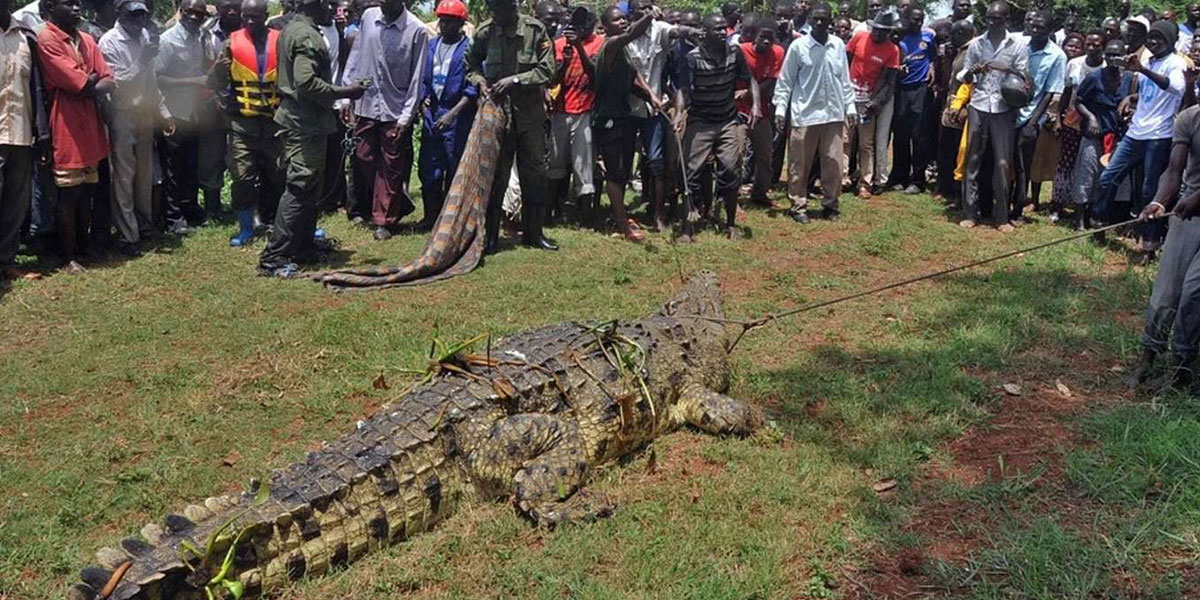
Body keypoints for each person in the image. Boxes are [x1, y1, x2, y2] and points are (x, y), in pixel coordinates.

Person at [258, 0, 366, 277]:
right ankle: (274, 256)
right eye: (327, 4)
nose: (331, 10)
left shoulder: (292, 28)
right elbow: (305, 82)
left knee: (309, 187)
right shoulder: (307, 35)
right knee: (300, 186)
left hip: (304, 120)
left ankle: (303, 247)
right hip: (304, 122)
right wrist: (346, 92)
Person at [466, 0, 557, 252]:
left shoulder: (535, 30)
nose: (496, 15)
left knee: (535, 175)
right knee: (497, 176)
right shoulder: (486, 31)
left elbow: (548, 70)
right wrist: (480, 82)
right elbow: (471, 64)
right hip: (498, 117)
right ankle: (491, 237)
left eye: (500, 9)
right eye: (492, 9)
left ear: (512, 7)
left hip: (530, 117)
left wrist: (516, 80)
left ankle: (533, 234)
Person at [1092, 20, 1186, 258]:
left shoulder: (1175, 64)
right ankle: (1099, 226)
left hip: (1159, 135)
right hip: (1136, 132)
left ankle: (1149, 244)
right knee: (1108, 177)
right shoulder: (1147, 61)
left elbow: (1175, 87)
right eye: (1151, 37)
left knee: (1149, 191)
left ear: (1171, 41)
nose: (1153, 42)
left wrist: (1142, 70)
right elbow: (1148, 94)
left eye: (1159, 38)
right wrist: (1132, 98)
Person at [341, 0, 428, 242]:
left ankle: (384, 221)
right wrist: (346, 97)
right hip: (366, 103)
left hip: (395, 108)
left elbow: (417, 76)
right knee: (363, 156)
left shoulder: (416, 29)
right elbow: (356, 56)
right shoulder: (369, 17)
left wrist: (406, 117)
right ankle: (395, 205)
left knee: (391, 167)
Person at [38, 0, 113, 274]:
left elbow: (107, 80)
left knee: (87, 191)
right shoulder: (46, 37)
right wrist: (88, 79)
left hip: (90, 125)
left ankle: (84, 246)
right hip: (65, 126)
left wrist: (87, 81)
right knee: (68, 194)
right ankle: (68, 255)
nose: (76, 8)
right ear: (51, 7)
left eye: (77, 3)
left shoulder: (86, 39)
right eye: (68, 3)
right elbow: (77, 82)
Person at [1129, 102, 1200, 389]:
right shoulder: (1190, 117)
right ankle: (1148, 357)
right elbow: (1173, 171)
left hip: (1193, 205)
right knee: (1166, 290)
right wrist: (1159, 201)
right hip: (1189, 211)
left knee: (1194, 293)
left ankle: (1182, 369)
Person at [207, 0, 285, 247]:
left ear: (266, 15)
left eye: (255, 16)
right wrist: (219, 70)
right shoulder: (230, 44)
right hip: (242, 125)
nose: (250, 21)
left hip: (275, 124)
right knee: (242, 177)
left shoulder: (281, 41)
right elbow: (214, 84)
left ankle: (285, 223)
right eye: (246, 17)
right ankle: (245, 229)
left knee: (281, 174)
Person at [677, 13, 756, 241]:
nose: (723, 33)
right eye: (717, 29)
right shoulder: (692, 58)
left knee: (731, 170)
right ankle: (686, 227)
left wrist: (756, 104)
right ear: (705, 32)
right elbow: (683, 90)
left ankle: (730, 224)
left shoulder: (734, 52)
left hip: (727, 120)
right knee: (689, 173)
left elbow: (749, 80)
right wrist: (679, 113)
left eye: (724, 29)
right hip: (700, 122)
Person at [99, 0, 169, 257]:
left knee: (144, 176)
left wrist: (163, 111)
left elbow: (150, 80)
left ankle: (144, 226)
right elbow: (117, 84)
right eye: (134, 16)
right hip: (122, 115)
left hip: (145, 114)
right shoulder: (109, 42)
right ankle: (128, 235)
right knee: (124, 176)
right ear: (120, 14)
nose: (140, 21)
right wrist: (141, 60)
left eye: (143, 16)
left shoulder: (144, 35)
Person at [774, 2, 854, 224]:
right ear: (809, 19)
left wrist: (851, 107)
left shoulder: (838, 45)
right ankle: (798, 204)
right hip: (805, 114)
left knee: (833, 163)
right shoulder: (798, 47)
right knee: (800, 163)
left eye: (824, 19)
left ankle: (831, 204)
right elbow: (785, 81)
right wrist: (781, 109)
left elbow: (845, 80)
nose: (819, 22)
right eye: (816, 18)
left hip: (834, 114)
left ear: (831, 21)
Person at [958, 1, 1029, 231]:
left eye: (997, 18)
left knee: (1002, 163)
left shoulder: (1016, 44)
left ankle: (1001, 217)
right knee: (973, 160)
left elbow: (1025, 77)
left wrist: (1005, 68)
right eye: (989, 18)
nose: (992, 22)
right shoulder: (977, 44)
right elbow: (964, 76)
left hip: (1003, 107)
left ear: (1006, 19)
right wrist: (974, 70)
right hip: (979, 105)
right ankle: (970, 212)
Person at [592, 6, 656, 242]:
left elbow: (633, 76)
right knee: (615, 173)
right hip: (608, 118)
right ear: (605, 26)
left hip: (623, 115)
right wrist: (649, 16)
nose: (622, 22)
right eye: (616, 20)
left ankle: (619, 215)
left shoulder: (624, 51)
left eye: (624, 18)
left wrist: (651, 96)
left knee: (623, 170)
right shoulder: (611, 45)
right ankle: (622, 227)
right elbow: (632, 34)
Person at [155, 0, 215, 235]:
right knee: (173, 168)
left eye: (198, 14)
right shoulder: (167, 40)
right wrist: (193, 82)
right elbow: (158, 79)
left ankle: (190, 208)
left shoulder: (199, 37)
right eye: (189, 12)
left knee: (191, 164)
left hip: (194, 111)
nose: (193, 17)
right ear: (181, 12)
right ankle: (173, 218)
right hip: (173, 112)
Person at [0, 0, 48, 279]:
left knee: (15, 205)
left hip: (20, 133)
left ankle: (6, 262)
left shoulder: (26, 38)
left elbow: (37, 88)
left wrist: (41, 134)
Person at [416, 0, 475, 230]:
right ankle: (430, 216)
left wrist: (452, 114)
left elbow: (472, 88)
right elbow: (421, 78)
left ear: (461, 23)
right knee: (429, 168)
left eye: (451, 21)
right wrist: (423, 102)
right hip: (432, 112)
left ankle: (450, 220)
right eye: (442, 20)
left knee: (454, 167)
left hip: (457, 115)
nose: (445, 25)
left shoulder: (469, 49)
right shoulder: (431, 46)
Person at [546, 5, 602, 222]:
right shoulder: (559, 44)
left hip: (585, 110)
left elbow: (595, 75)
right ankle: (550, 212)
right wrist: (565, 62)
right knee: (555, 163)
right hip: (560, 111)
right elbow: (551, 80)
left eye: (586, 23)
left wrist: (579, 46)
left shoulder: (599, 43)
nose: (582, 27)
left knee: (583, 166)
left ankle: (586, 215)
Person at [1072, 38, 1134, 230]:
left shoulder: (1131, 79)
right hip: (1095, 132)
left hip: (1119, 135)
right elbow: (1079, 101)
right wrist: (1090, 118)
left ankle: (1109, 219)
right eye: (1109, 54)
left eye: (1117, 54)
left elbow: (1134, 102)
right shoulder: (1094, 77)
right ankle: (1080, 219)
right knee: (1087, 174)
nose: (1113, 58)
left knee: (1117, 178)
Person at [1011, 9, 1065, 222]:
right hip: (1008, 113)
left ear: (1050, 30)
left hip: (1030, 118)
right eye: (1032, 25)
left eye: (1040, 27)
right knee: (1004, 161)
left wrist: (1033, 123)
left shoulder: (1057, 56)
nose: (1034, 30)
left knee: (1023, 166)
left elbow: (1050, 92)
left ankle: (1017, 211)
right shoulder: (1019, 45)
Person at [846, 8, 899, 198]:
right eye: (876, 29)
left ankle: (864, 182)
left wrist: (874, 103)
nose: (878, 33)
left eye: (883, 31)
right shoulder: (859, 38)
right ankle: (842, 178)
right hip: (848, 98)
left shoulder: (892, 50)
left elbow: (888, 81)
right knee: (845, 140)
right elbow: (845, 62)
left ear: (888, 32)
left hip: (868, 102)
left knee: (866, 144)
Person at [1047, 31, 1098, 222]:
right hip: (1071, 121)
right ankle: (1057, 205)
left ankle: (1082, 207)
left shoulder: (1106, 67)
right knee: (1065, 164)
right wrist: (1059, 119)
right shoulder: (1074, 64)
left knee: (1086, 166)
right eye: (1089, 45)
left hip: (1094, 124)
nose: (1092, 48)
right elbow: (1067, 92)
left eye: (1096, 45)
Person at [737, 13, 782, 208]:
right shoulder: (740, 51)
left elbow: (771, 83)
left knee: (765, 155)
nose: (765, 41)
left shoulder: (778, 53)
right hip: (737, 113)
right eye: (762, 36)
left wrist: (746, 94)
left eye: (770, 38)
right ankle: (729, 196)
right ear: (754, 35)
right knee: (735, 156)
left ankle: (759, 193)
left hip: (762, 112)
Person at [891, 5, 935, 194]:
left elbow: (932, 58)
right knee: (901, 135)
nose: (918, 23)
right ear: (906, 18)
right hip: (901, 90)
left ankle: (917, 180)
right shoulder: (898, 38)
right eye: (914, 19)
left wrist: (932, 66)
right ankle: (900, 176)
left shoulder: (928, 37)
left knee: (919, 136)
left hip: (920, 90)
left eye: (921, 19)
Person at [934, 18, 973, 203]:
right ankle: (945, 187)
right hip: (950, 104)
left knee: (958, 149)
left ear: (960, 34)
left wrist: (961, 106)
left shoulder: (972, 52)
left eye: (952, 35)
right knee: (945, 148)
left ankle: (957, 193)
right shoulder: (958, 52)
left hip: (962, 108)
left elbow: (967, 82)